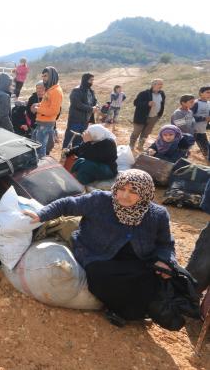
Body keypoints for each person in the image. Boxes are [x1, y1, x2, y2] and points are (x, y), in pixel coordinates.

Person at [24, 170, 177, 328]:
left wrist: (166, 261)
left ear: (145, 193)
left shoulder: (158, 215)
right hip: (96, 253)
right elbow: (67, 204)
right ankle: (122, 311)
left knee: (154, 277)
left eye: (133, 191)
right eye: (121, 189)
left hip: (135, 258)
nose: (124, 195)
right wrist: (42, 214)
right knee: (101, 278)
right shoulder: (100, 200)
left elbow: (165, 244)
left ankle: (143, 309)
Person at [31, 67, 63, 158]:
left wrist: (38, 109)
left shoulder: (56, 91)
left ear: (52, 76)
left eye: (46, 76)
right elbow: (47, 104)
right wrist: (38, 104)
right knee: (36, 146)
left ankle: (40, 168)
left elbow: (54, 111)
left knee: (40, 149)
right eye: (42, 76)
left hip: (45, 124)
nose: (43, 78)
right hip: (41, 123)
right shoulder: (50, 89)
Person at [130, 79, 166, 151]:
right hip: (141, 117)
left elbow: (162, 104)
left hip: (154, 117)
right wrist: (147, 103)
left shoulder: (162, 94)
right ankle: (131, 145)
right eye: (159, 84)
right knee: (136, 132)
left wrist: (159, 115)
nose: (161, 86)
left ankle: (140, 146)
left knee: (146, 133)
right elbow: (136, 103)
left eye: (162, 84)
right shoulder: (144, 93)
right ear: (153, 85)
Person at [63, 73, 97, 149]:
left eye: (93, 80)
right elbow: (77, 104)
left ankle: (73, 156)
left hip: (85, 120)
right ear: (85, 80)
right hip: (76, 120)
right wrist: (91, 109)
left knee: (79, 139)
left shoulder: (91, 91)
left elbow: (94, 101)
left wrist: (96, 106)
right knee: (70, 138)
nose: (92, 82)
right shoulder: (76, 90)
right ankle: (64, 155)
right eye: (90, 80)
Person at [191, 86, 210, 157]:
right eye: (207, 92)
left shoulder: (208, 103)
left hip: (202, 129)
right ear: (201, 93)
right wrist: (204, 118)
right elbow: (189, 117)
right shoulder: (195, 103)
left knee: (205, 147)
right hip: (194, 130)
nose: (209, 94)